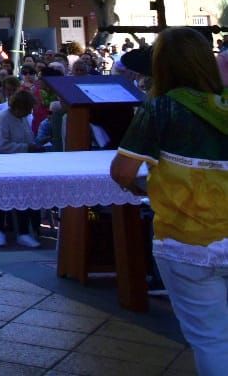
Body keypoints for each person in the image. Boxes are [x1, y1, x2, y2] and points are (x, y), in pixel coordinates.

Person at [112, 27, 228, 375]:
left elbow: (122, 171)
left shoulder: (160, 109)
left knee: (212, 340)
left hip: (186, 243)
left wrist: (146, 189)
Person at [0, 89, 45, 247]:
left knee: (23, 197)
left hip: (21, 166)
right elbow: (0, 145)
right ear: (19, 106)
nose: (29, 112)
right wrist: (27, 147)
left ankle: (23, 232)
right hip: (0, 166)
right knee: (0, 197)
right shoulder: (3, 118)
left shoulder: (22, 118)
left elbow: (27, 137)